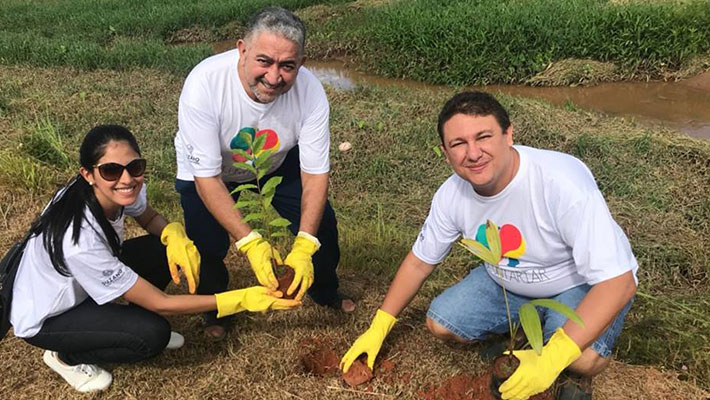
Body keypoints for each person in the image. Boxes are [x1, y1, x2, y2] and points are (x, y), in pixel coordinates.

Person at [340, 92, 638, 400]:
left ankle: (560, 355)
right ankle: (531, 330)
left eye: (483, 137)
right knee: (442, 323)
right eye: (458, 143)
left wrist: (553, 358)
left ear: (508, 135)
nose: (473, 153)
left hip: (575, 284)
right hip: (507, 282)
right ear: (445, 153)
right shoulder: (451, 196)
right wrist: (379, 326)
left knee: (582, 358)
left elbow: (619, 282)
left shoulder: (560, 182)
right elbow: (419, 263)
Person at [10, 125, 299, 393]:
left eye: (135, 167)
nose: (126, 179)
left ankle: (122, 322)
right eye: (110, 170)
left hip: (84, 282)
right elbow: (162, 303)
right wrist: (241, 299)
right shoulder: (80, 241)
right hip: (51, 315)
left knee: (169, 250)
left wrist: (173, 234)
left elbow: (147, 217)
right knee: (151, 335)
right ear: (88, 174)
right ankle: (66, 355)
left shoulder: (116, 190)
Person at [173, 6, 354, 339]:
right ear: (242, 50)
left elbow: (315, 174)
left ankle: (324, 289)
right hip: (209, 171)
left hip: (276, 161)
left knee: (322, 227)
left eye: (287, 66)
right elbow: (208, 179)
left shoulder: (311, 92)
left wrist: (304, 244)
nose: (273, 77)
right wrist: (251, 242)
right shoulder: (204, 84)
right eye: (264, 61)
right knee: (207, 242)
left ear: (301, 62)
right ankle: (216, 309)